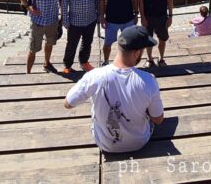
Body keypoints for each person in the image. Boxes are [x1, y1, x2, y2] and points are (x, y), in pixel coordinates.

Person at [64, 25, 164, 153]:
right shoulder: (149, 80)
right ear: (136, 53)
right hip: (139, 142)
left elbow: (68, 103)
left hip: (106, 145)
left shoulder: (94, 76)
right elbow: (158, 119)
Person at [19, 0, 64, 74]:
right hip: (38, 21)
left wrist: (62, 16)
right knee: (33, 48)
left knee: (50, 43)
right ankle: (28, 72)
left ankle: (46, 63)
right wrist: (28, 7)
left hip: (52, 20)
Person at [61, 0, 101, 74]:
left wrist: (98, 15)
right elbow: (64, 1)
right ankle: (67, 65)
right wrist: (65, 19)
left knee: (87, 43)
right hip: (75, 20)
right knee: (72, 44)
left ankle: (84, 61)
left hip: (90, 19)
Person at [100, 0, 138, 66]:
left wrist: (136, 13)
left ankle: (127, 62)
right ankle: (106, 61)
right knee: (107, 43)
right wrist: (102, 17)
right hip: (111, 19)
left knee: (129, 44)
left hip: (128, 19)